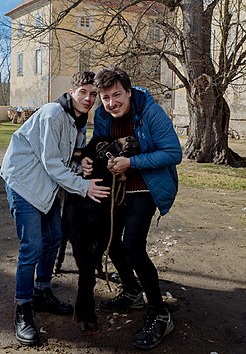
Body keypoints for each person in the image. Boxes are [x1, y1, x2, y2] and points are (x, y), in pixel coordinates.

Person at [0, 71, 110, 346]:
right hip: (24, 184)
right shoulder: (52, 114)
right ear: (72, 91)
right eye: (83, 92)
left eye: (93, 94)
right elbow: (51, 162)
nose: (88, 98)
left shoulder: (79, 122)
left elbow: (66, 159)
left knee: (54, 240)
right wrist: (85, 187)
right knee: (33, 247)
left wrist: (81, 164)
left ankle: (41, 292)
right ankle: (23, 309)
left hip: (47, 189)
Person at [82, 66, 182, 349]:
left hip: (147, 186)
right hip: (119, 185)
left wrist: (132, 162)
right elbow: (102, 146)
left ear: (128, 91)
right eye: (105, 97)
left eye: (117, 95)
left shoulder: (150, 111)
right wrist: (92, 159)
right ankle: (131, 291)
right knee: (110, 241)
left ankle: (159, 313)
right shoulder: (102, 115)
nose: (111, 103)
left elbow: (174, 152)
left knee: (133, 247)